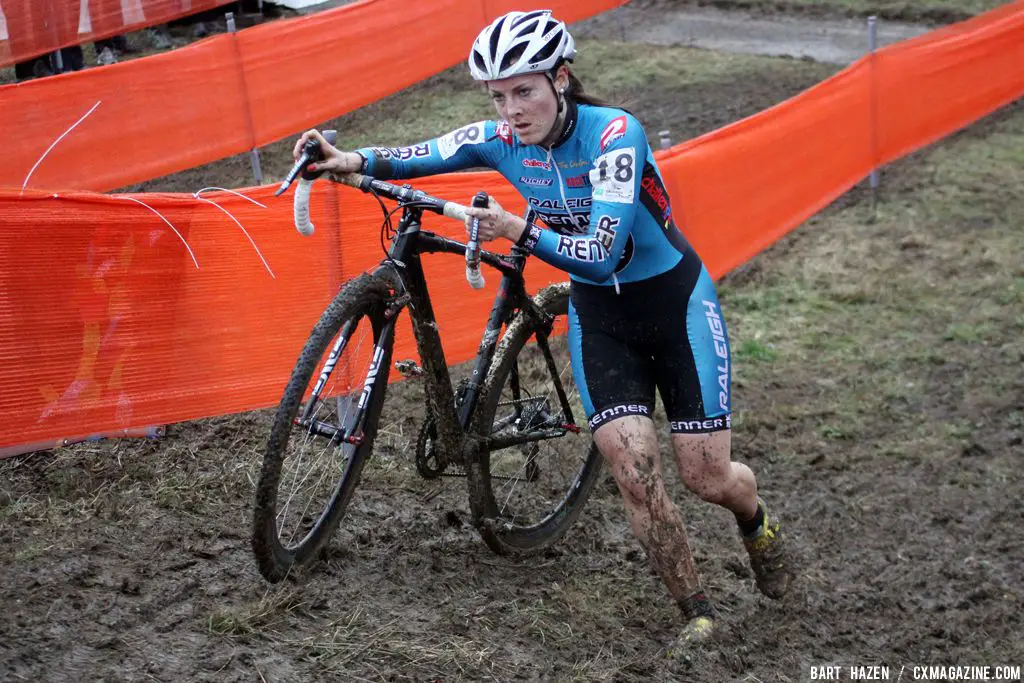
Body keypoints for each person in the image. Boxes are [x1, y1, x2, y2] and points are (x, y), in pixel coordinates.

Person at [293, 9, 793, 651]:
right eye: (498, 96)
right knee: (634, 474)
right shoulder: (502, 138)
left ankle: (754, 521)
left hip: (674, 307)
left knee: (707, 479)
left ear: (561, 78)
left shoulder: (615, 134)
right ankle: (695, 611)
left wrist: (516, 229)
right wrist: (346, 159)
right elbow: (422, 154)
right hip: (601, 318)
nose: (511, 112)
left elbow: (604, 254)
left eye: (524, 90)